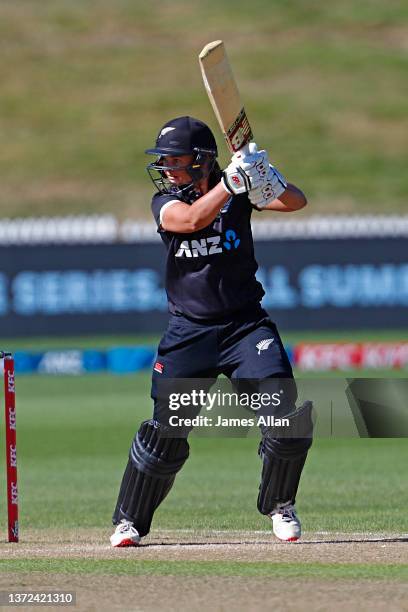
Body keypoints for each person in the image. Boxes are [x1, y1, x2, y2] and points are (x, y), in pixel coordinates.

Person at [110, 116, 313, 547]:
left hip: (245, 326)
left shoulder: (237, 189)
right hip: (189, 333)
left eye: (176, 161)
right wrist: (232, 183)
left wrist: (265, 176)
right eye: (163, 162)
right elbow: (189, 222)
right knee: (165, 432)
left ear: (202, 162)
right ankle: (129, 521)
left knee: (285, 413)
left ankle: (280, 504)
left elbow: (295, 202)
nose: (167, 170)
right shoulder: (164, 202)